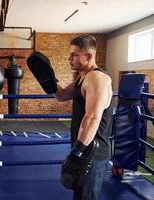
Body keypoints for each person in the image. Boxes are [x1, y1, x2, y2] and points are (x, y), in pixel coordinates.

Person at [27, 34, 113, 200]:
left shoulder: (97, 78)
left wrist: (77, 152)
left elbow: (92, 118)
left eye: (74, 55)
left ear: (89, 56)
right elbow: (62, 95)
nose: (69, 58)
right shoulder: (84, 78)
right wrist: (48, 78)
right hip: (85, 151)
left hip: (92, 154)